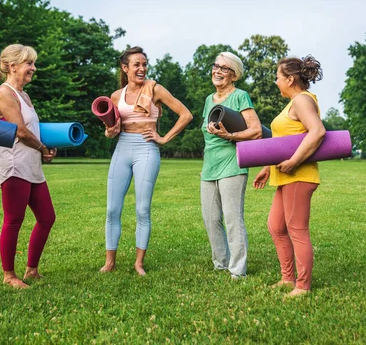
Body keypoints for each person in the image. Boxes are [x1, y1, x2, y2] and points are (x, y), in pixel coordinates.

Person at [100, 46, 193, 276]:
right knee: (112, 209)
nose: (142, 69)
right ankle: (110, 262)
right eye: (136, 65)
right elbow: (110, 131)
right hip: (122, 148)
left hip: (147, 149)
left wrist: (163, 138)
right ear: (125, 68)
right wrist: (109, 132)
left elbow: (186, 114)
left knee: (142, 209)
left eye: (144, 64)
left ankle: (138, 263)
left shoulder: (156, 89)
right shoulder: (115, 96)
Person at [252, 55, 326, 298]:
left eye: (278, 77)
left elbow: (317, 132)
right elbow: (283, 143)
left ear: (290, 79)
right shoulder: (293, 102)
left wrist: (295, 161)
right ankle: (287, 279)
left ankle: (302, 286)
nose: (276, 82)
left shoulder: (302, 100)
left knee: (297, 229)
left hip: (299, 175)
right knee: (276, 226)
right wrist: (267, 167)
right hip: (285, 176)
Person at [0, 44, 57, 289]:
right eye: (29, 64)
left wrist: (47, 147)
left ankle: (31, 270)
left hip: (32, 165)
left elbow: (33, 131)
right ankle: (8, 275)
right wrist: (41, 148)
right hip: (14, 165)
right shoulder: (4, 93)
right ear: (13, 66)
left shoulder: (24, 95)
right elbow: (20, 131)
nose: (33, 68)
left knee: (47, 217)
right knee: (14, 219)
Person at [201, 51, 262, 279]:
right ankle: (221, 263)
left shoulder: (240, 96)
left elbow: (256, 131)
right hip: (209, 166)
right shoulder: (209, 100)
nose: (217, 71)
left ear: (234, 75)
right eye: (216, 66)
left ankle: (238, 270)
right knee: (210, 218)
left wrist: (230, 135)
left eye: (224, 68)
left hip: (233, 165)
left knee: (232, 218)